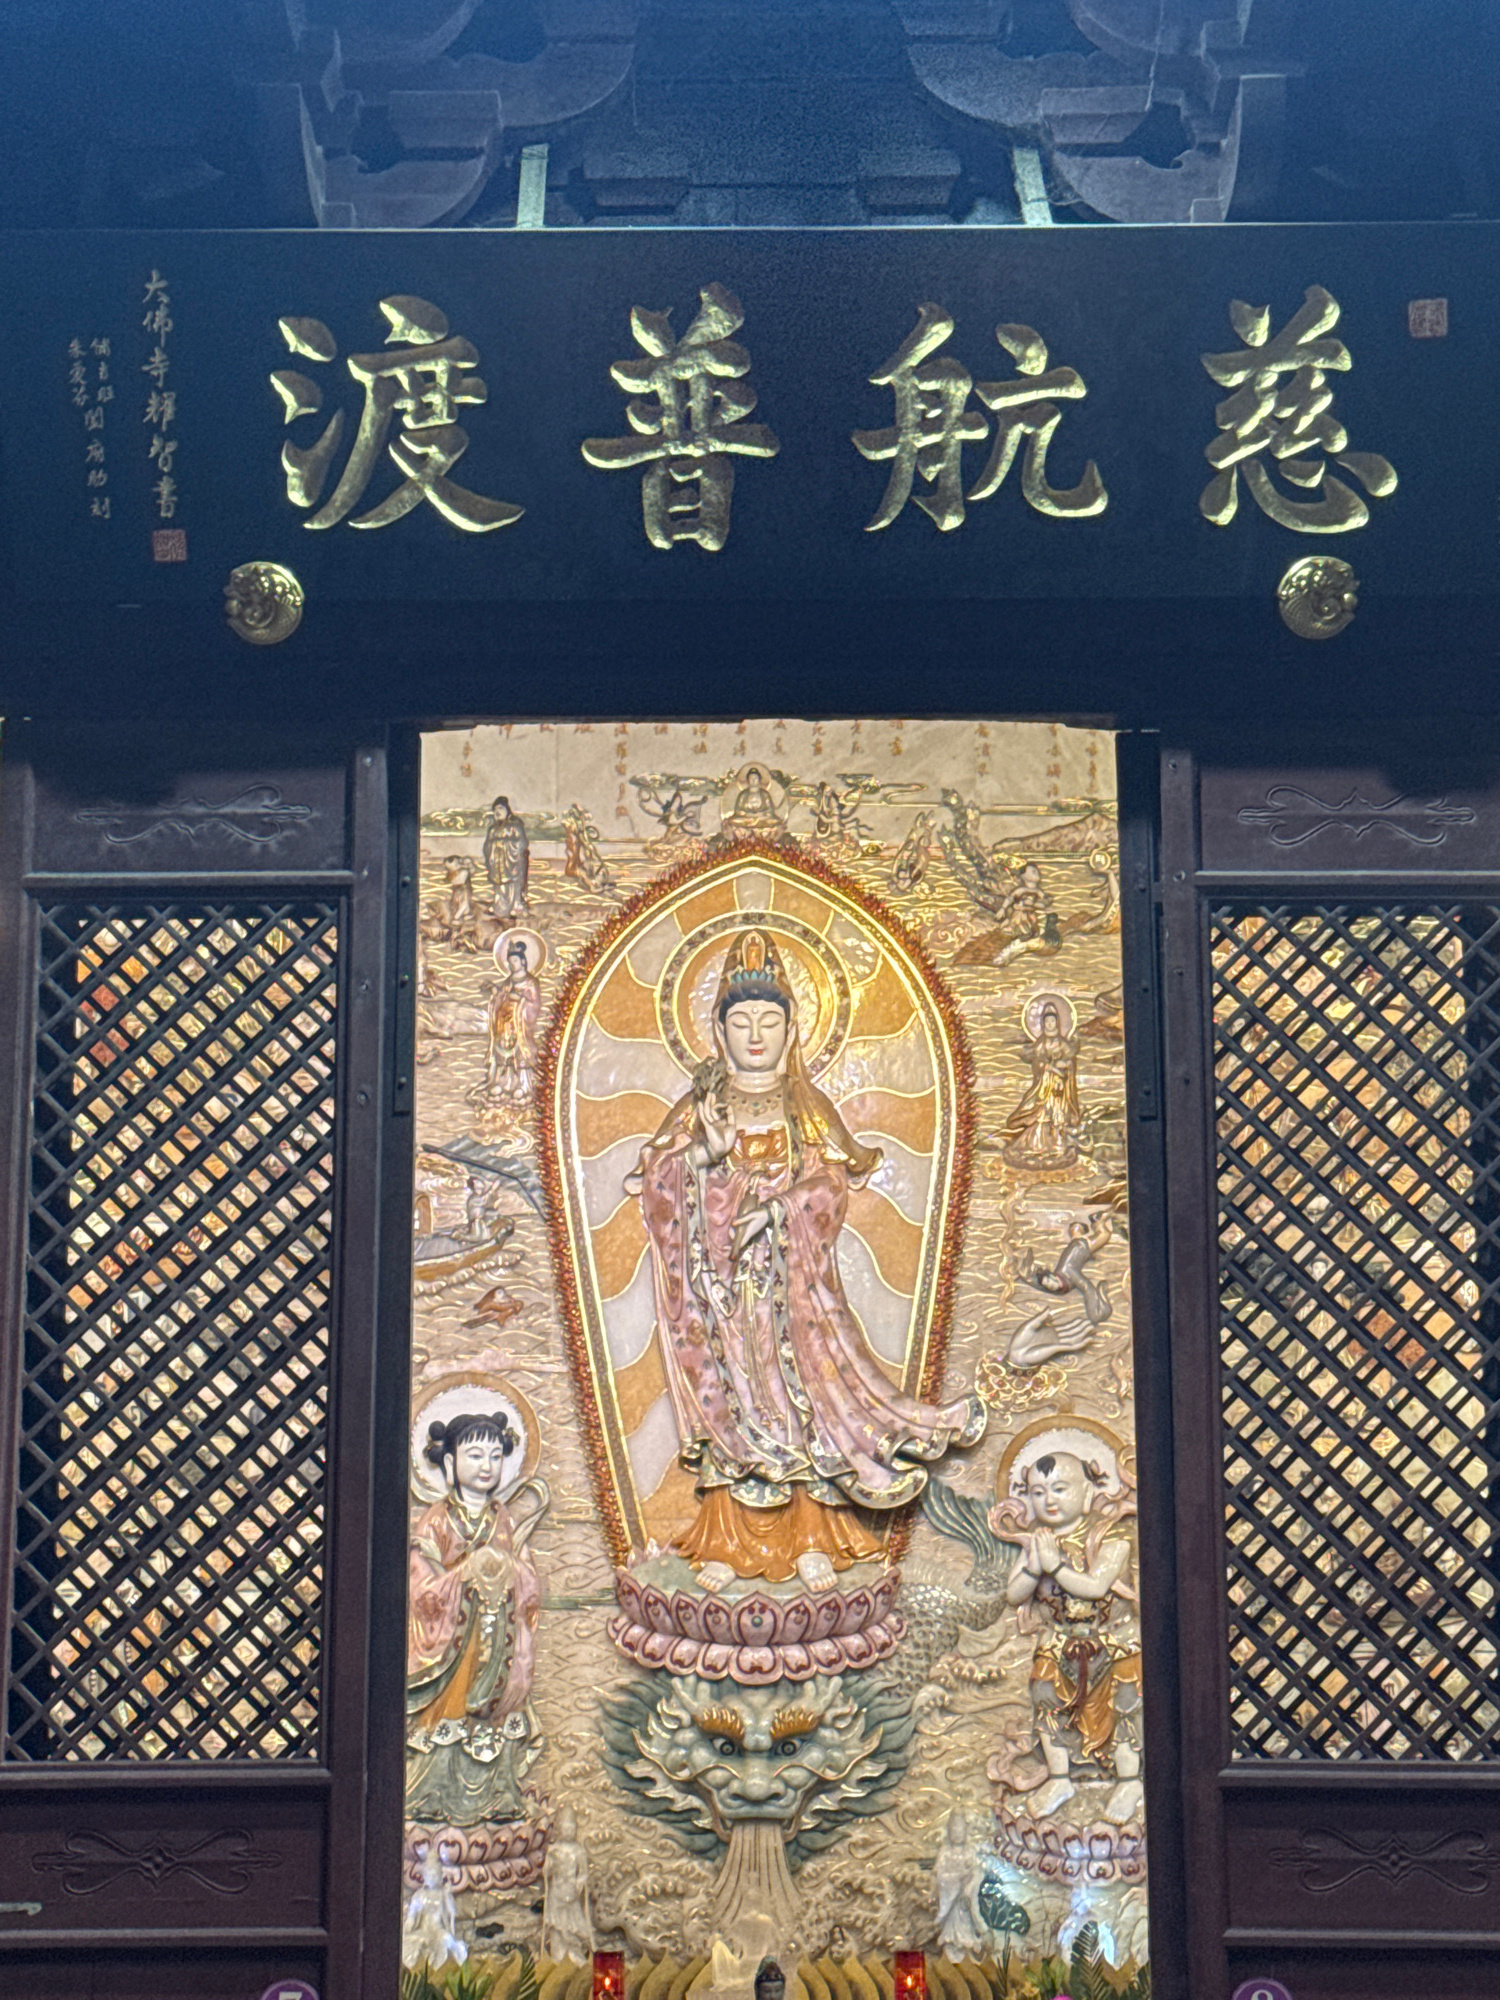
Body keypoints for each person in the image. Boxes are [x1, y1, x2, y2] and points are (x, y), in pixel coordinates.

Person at [628, 928, 985, 1584]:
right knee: (729, 1398)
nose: (755, 1035)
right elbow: (658, 1182)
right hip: (720, 1294)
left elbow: (829, 1186)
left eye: (769, 1021)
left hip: (791, 1292)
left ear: (792, 1029)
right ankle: (727, 1543)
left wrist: (775, 1211)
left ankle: (810, 1536)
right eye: (741, 1021)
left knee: (799, 1400)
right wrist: (704, 1157)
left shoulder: (804, 1106)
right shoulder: (701, 1107)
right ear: (718, 1029)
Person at [406, 1411, 545, 1827]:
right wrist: (465, 1574)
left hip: (498, 1638)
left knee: (494, 1716)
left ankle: (498, 1797)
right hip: (453, 1642)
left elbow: (528, 1579)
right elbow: (421, 1585)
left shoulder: (503, 1519)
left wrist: (505, 1569)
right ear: (450, 1462)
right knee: (449, 1714)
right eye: (475, 1455)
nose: (487, 1466)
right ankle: (431, 1797)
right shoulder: (437, 1519)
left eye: (496, 1456)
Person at [999, 1451, 1142, 1825]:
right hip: (1059, 1642)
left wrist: (1055, 1566)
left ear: (1087, 1491)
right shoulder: (1037, 1541)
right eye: (1038, 1492)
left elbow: (1095, 1586)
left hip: (1115, 1640)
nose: (1049, 1500)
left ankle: (1130, 1781)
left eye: (1060, 1489)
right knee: (1045, 1696)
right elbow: (1013, 1595)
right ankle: (1059, 1778)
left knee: (1125, 1705)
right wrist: (1034, 1568)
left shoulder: (1111, 1536)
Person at [1002, 1000, 1082, 1170]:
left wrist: (1062, 1068)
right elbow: (1036, 1061)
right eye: (1047, 1021)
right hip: (1044, 1086)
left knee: (1057, 1115)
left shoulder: (1062, 1043)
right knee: (1041, 1113)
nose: (1050, 1024)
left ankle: (1059, 1145)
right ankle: (1036, 1144)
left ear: (1057, 1022)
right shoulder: (1041, 1043)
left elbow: (1069, 1062)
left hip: (1058, 1088)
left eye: (1053, 1021)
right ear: (1043, 1024)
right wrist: (1048, 1067)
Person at [479, 937, 542, 1103]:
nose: (512, 964)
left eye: (515, 960)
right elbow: (502, 996)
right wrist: (496, 992)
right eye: (510, 961)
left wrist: (520, 1000)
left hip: (520, 1022)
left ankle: (522, 1085)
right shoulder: (508, 981)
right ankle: (503, 1082)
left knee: (520, 1050)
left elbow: (534, 1004)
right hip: (505, 1022)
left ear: (523, 961)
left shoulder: (530, 982)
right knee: (501, 1049)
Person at [540, 1804, 593, 1961]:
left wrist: (579, 1884)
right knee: (556, 1928)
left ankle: (576, 1957)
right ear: (559, 1829)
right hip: (556, 1894)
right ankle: (558, 1956)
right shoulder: (553, 1850)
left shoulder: (579, 1851)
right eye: (566, 1828)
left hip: (572, 1895)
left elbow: (583, 1873)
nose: (569, 1831)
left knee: (574, 1927)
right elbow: (547, 1872)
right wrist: (548, 1866)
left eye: (572, 1828)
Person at [934, 1807, 987, 1957]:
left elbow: (977, 1871)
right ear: (948, 1831)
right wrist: (958, 1878)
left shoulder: (970, 1851)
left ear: (966, 1831)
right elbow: (939, 1874)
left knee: (967, 1921)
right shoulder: (945, 1851)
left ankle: (970, 1941)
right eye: (954, 1829)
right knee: (951, 1928)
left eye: (960, 1829)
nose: (957, 1833)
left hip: (965, 1901)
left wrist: (969, 1884)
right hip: (951, 1900)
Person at [484, 796, 530, 917]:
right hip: (497, 862)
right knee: (499, 885)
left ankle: (516, 905)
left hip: (511, 861)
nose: (497, 812)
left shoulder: (515, 826)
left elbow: (522, 843)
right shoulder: (493, 829)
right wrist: (494, 846)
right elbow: (487, 846)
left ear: (507, 810)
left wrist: (503, 844)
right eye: (495, 810)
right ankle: (498, 905)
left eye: (500, 808)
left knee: (513, 884)